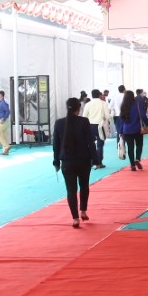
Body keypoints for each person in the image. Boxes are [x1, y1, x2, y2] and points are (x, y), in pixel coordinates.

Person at [52, 97, 98, 227]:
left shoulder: (59, 123)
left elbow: (56, 145)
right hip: (84, 160)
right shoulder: (84, 121)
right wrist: (95, 159)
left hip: (67, 162)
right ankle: (83, 211)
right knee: (84, 186)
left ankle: (75, 218)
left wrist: (56, 162)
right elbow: (90, 142)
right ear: (79, 108)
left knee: (71, 190)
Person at [117, 89, 148, 170]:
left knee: (130, 147)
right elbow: (143, 115)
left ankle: (132, 165)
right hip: (137, 129)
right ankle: (137, 159)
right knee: (139, 145)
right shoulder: (137, 104)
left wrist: (120, 131)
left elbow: (121, 120)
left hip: (126, 130)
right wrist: (147, 123)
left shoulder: (123, 106)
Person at [83, 89, 112, 168]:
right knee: (100, 145)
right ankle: (99, 163)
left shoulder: (88, 104)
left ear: (92, 95)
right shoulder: (103, 103)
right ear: (99, 95)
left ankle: (90, 162)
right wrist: (109, 118)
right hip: (100, 126)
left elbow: (84, 117)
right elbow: (107, 116)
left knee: (90, 144)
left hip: (90, 126)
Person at [0, 90, 11, 155]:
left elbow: (8, 111)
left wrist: (3, 118)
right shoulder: (1, 102)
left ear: (0, 95)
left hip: (3, 121)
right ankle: (5, 151)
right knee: (3, 135)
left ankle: (6, 146)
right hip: (2, 120)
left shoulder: (3, 102)